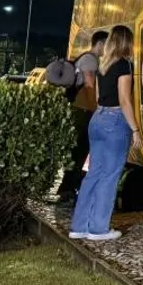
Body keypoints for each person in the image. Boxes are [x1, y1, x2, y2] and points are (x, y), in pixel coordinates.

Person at [69, 26, 141, 241]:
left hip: (97, 118)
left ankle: (79, 225)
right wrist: (135, 129)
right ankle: (99, 228)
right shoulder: (124, 64)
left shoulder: (103, 65)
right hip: (115, 121)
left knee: (94, 173)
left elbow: (99, 95)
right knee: (110, 175)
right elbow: (125, 100)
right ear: (127, 42)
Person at [57, 30, 109, 203]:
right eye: (106, 45)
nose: (107, 49)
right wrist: (96, 112)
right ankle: (67, 189)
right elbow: (89, 86)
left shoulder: (88, 59)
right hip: (83, 111)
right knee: (79, 149)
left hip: (81, 110)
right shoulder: (90, 60)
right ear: (100, 44)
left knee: (79, 150)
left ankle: (69, 187)